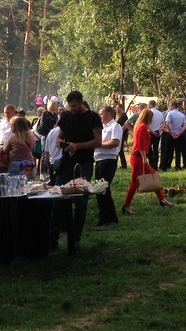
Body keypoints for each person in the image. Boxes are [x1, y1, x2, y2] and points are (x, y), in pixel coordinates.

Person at [48, 91, 103, 251]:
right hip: (66, 163)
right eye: (70, 106)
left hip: (84, 163)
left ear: (81, 102)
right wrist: (60, 142)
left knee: (81, 201)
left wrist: (77, 146)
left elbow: (98, 141)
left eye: (75, 106)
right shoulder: (66, 116)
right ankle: (52, 239)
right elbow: (60, 135)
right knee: (57, 199)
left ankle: (75, 237)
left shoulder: (93, 117)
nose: (72, 109)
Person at [122, 108, 173, 215]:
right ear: (148, 117)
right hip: (138, 158)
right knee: (135, 182)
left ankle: (162, 199)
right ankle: (126, 205)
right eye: (151, 117)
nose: (152, 119)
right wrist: (145, 159)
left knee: (153, 176)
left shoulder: (140, 126)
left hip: (138, 157)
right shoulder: (142, 127)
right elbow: (140, 145)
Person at [94, 106, 122, 226]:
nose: (100, 116)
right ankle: (105, 216)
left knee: (103, 188)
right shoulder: (103, 127)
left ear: (109, 114)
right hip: (99, 159)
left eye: (101, 114)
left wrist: (99, 144)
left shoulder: (115, 126)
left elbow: (115, 142)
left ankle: (109, 217)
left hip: (108, 160)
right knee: (100, 189)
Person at [147, 100, 164, 170]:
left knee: (149, 148)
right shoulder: (160, 113)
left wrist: (152, 131)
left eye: (148, 104)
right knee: (156, 149)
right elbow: (163, 123)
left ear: (151, 105)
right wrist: (160, 129)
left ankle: (151, 163)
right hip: (157, 131)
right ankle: (155, 164)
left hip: (150, 132)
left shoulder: (149, 112)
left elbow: (148, 124)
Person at [115, 103, 129, 169]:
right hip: (121, 134)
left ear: (121, 108)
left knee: (119, 150)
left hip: (122, 135)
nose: (116, 109)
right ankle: (123, 164)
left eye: (117, 108)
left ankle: (123, 164)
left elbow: (125, 125)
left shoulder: (124, 116)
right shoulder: (121, 116)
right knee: (120, 150)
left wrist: (120, 131)